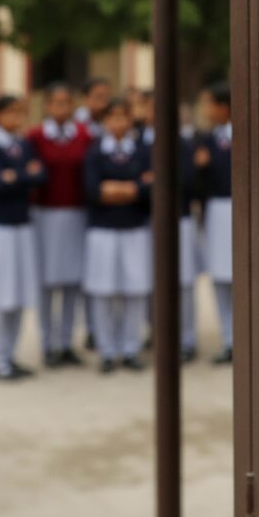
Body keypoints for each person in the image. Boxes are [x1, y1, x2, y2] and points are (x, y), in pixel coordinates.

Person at [0, 95, 45, 380]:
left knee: (18, 294)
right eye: (11, 112)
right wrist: (23, 175)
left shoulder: (23, 144)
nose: (17, 118)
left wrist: (13, 177)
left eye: (21, 112)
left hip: (21, 226)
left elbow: (40, 176)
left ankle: (10, 355)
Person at [83, 99, 151, 373]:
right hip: (103, 230)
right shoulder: (95, 152)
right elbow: (93, 190)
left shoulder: (143, 151)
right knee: (103, 292)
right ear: (104, 122)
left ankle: (131, 348)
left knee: (134, 291)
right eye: (112, 118)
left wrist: (116, 188)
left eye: (123, 117)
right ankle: (107, 350)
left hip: (134, 228)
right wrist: (131, 188)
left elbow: (150, 187)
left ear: (131, 121)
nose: (118, 123)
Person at [26, 82, 92, 367]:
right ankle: (47, 343)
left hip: (76, 214)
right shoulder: (36, 137)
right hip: (45, 215)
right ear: (47, 106)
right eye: (56, 103)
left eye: (67, 102)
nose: (61, 108)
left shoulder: (84, 136)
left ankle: (66, 342)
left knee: (72, 283)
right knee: (46, 284)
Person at [140, 92, 202, 362]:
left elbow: (188, 179)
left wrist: (155, 179)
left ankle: (187, 338)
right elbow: (134, 179)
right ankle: (156, 331)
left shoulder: (183, 144)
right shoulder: (138, 143)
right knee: (149, 279)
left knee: (184, 281)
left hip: (180, 219)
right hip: (146, 219)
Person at [195, 81, 233, 364]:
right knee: (220, 278)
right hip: (216, 211)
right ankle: (229, 339)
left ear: (224, 107)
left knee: (240, 276)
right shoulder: (206, 140)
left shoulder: (244, 134)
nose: (207, 111)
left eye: (210, 104)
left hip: (238, 208)